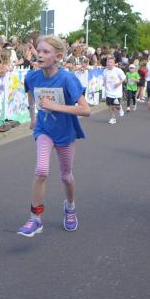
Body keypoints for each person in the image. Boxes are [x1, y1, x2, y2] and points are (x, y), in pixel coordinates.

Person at [18, 35, 91, 237]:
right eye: (38, 51)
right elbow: (31, 96)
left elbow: (86, 110)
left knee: (66, 176)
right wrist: (33, 118)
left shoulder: (67, 79)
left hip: (65, 133)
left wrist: (55, 106)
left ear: (58, 57)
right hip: (44, 130)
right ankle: (35, 219)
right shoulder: (32, 77)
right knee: (41, 170)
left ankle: (70, 206)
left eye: (45, 52)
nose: (40, 55)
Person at [103, 56, 126, 124]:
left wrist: (119, 83)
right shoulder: (105, 71)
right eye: (108, 62)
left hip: (117, 92)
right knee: (110, 106)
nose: (109, 63)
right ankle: (113, 118)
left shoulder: (118, 70)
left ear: (113, 63)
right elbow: (104, 79)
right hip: (108, 91)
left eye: (110, 62)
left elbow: (124, 79)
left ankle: (120, 108)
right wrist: (104, 84)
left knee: (116, 105)